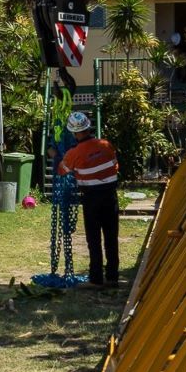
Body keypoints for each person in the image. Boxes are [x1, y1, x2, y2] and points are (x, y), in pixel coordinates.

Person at [58, 111, 120, 288]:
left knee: (94, 239)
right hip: (110, 196)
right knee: (111, 237)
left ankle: (96, 279)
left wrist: (56, 155)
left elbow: (62, 170)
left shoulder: (74, 153)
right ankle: (113, 277)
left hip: (91, 199)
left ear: (75, 133)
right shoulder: (106, 145)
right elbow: (115, 165)